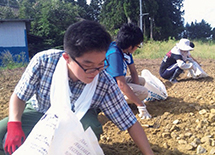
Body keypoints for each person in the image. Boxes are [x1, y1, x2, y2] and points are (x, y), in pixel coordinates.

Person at [0, 20, 154, 155]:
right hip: (40, 111)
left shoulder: (103, 82)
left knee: (89, 128)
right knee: (3, 132)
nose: (95, 72)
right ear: (67, 58)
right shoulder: (44, 62)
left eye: (101, 64)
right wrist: (14, 123)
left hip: (79, 117)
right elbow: (19, 96)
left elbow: (130, 122)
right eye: (88, 65)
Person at [105, 23, 151, 120]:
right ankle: (116, 104)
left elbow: (133, 71)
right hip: (108, 87)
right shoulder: (114, 53)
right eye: (137, 46)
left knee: (142, 81)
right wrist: (140, 105)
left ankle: (130, 101)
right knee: (143, 92)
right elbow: (121, 84)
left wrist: (137, 88)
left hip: (116, 81)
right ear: (131, 46)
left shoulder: (125, 51)